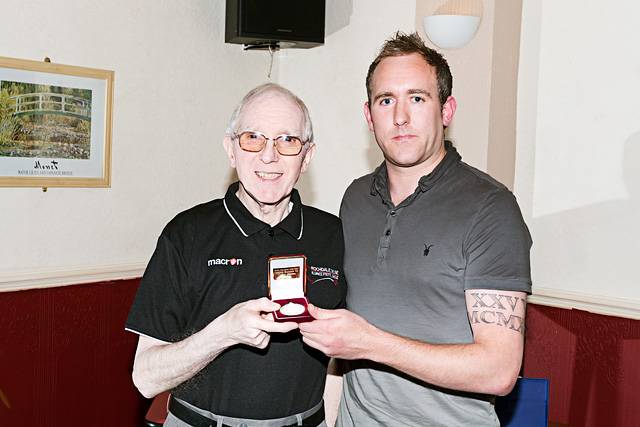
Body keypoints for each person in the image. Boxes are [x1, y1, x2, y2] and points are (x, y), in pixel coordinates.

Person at [299, 32, 532, 426]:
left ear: (446, 110)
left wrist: (371, 343)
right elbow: (342, 342)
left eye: (417, 98)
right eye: (386, 100)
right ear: (369, 116)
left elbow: (499, 370)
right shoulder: (355, 199)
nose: (400, 117)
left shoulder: (490, 207)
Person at [126, 83, 347, 427]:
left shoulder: (333, 235)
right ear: (231, 150)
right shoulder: (187, 234)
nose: (269, 156)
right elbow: (145, 378)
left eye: (287, 140)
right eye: (253, 138)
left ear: (307, 156)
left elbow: (338, 360)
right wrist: (224, 332)